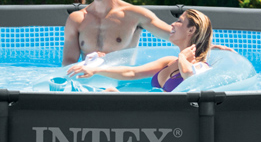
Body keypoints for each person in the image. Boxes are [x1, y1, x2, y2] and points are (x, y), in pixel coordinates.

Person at [66, 8, 213, 92]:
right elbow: (132, 72)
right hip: (152, 116)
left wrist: (182, 57)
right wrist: (96, 70)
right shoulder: (168, 62)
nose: (173, 24)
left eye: (179, 21)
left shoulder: (202, 67)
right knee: (108, 91)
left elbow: (190, 76)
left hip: (171, 123)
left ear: (191, 30)